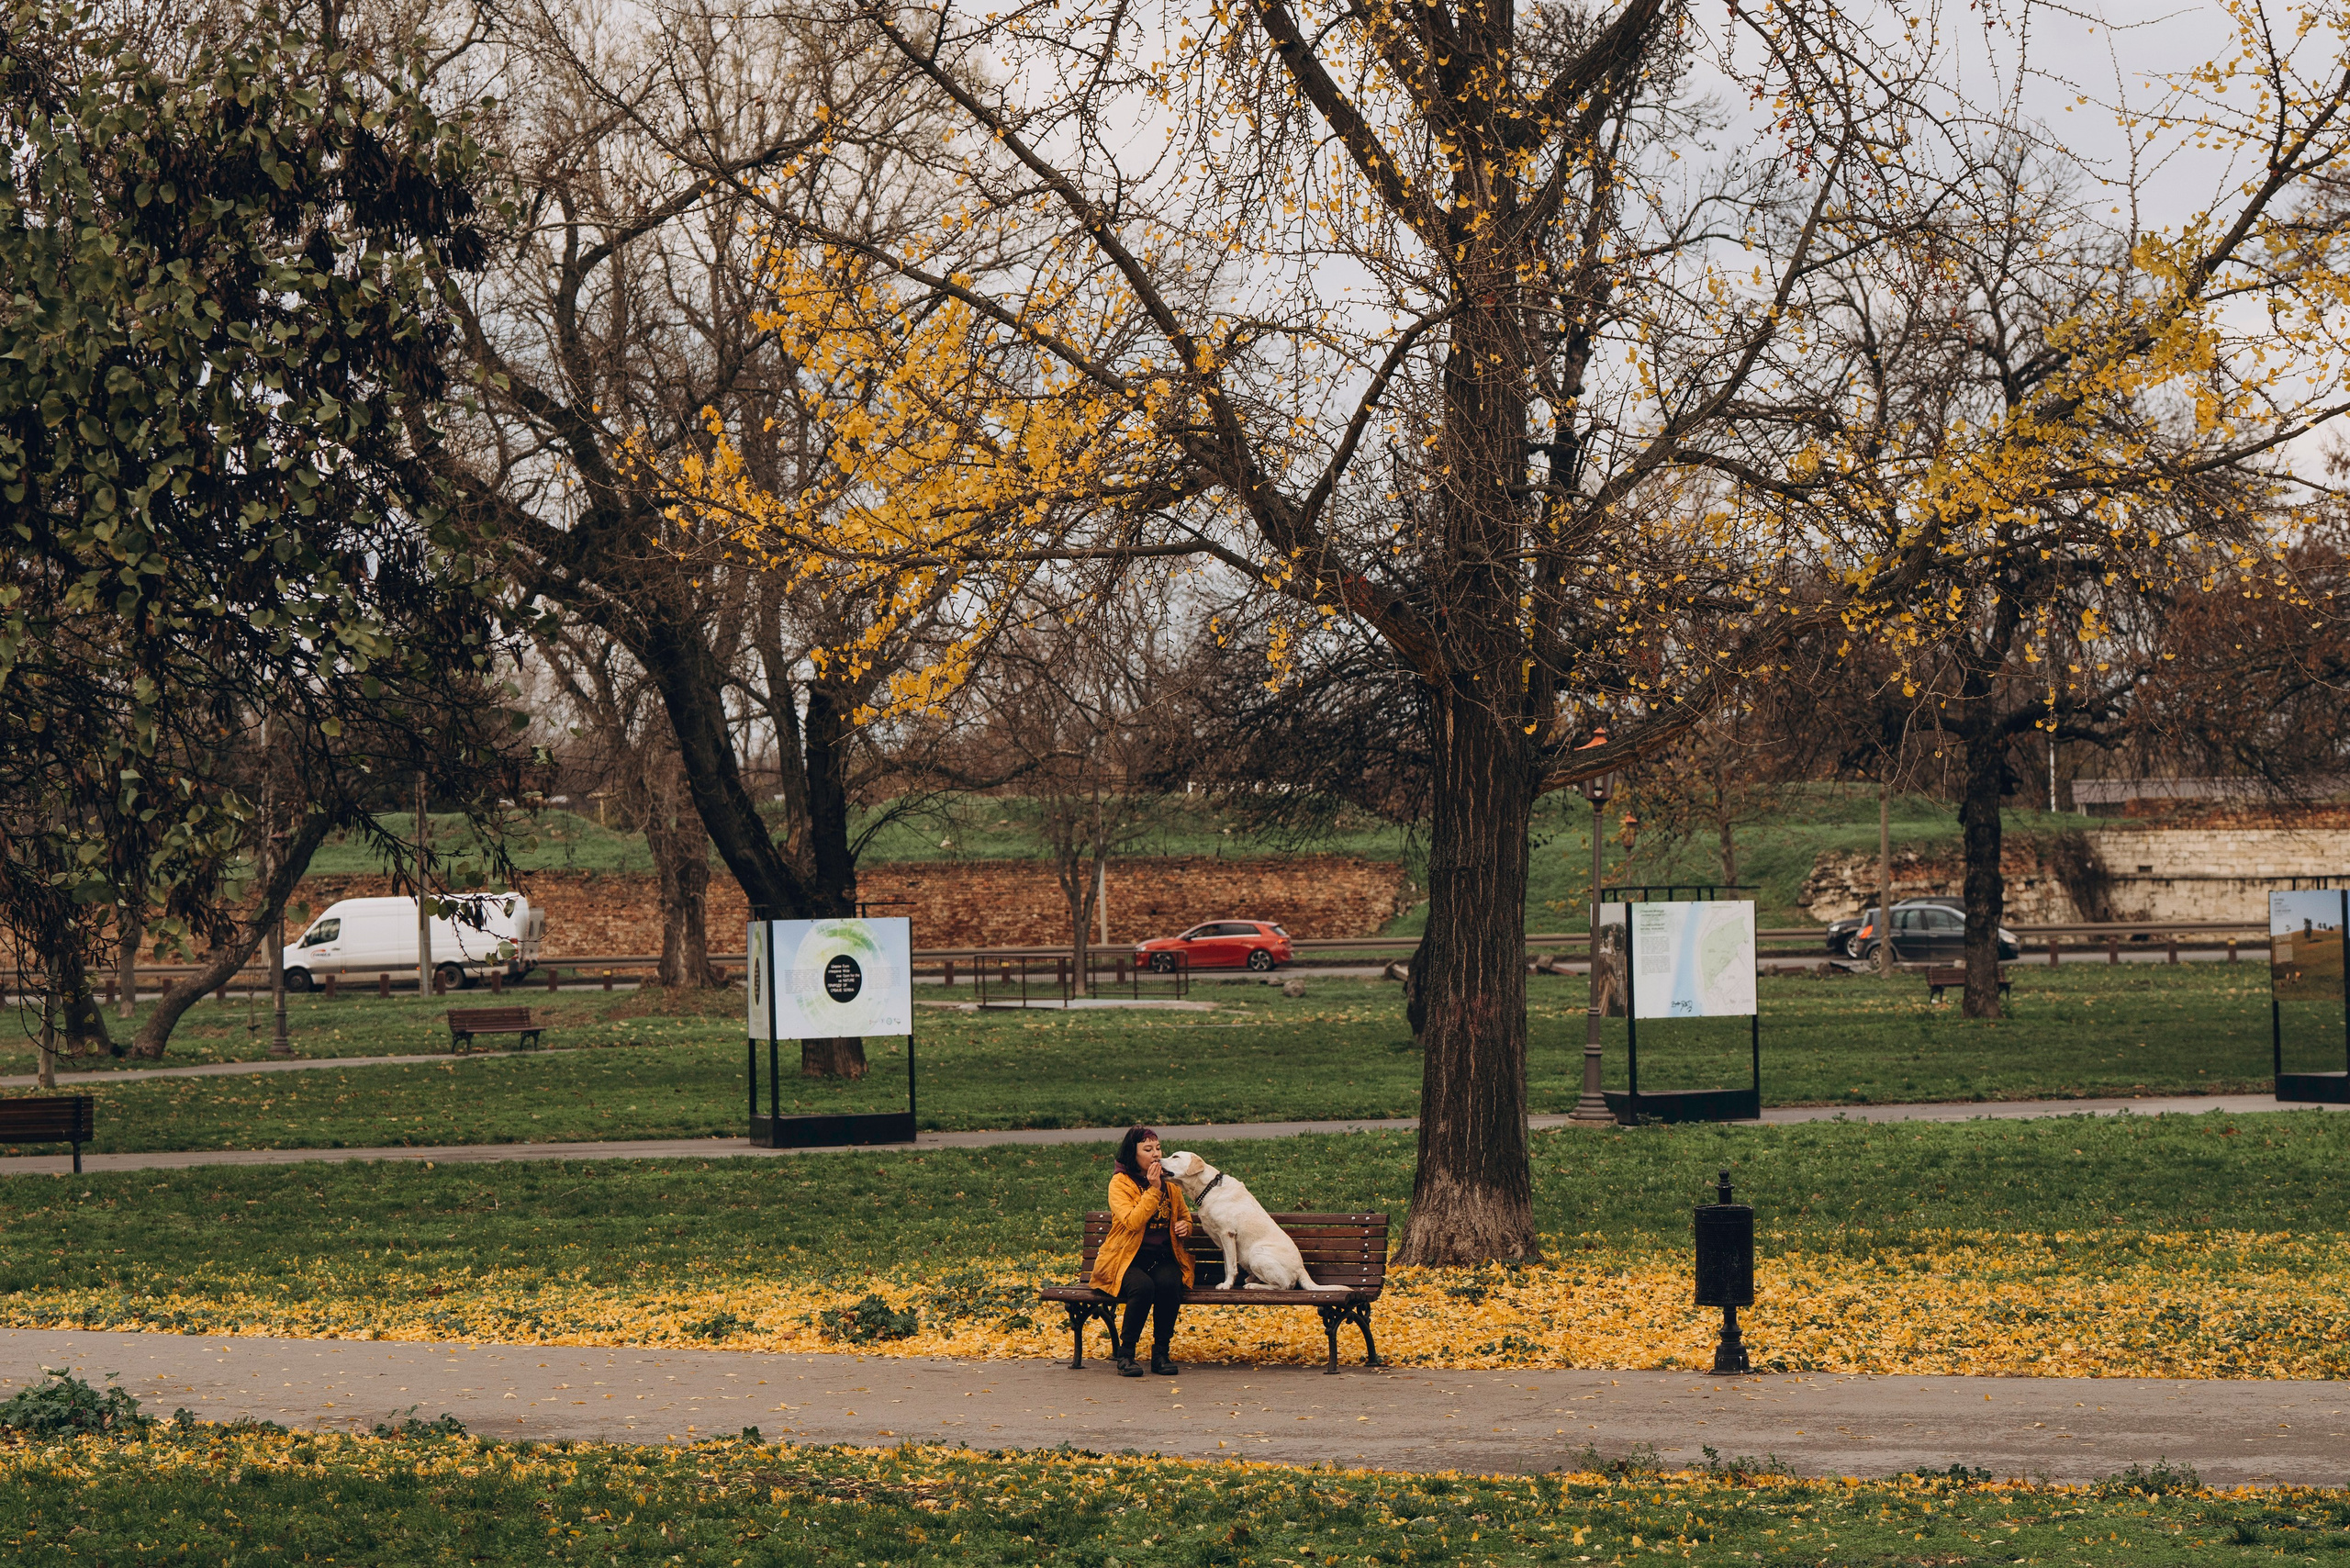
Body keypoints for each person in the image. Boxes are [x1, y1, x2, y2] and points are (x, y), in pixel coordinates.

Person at [1090, 1126, 1193, 1376]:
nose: (1156, 1154)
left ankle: (1161, 1354)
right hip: (1126, 1259)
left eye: (1158, 1148)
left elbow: (1185, 1216)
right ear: (1132, 1154)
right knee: (1142, 1287)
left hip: (1161, 1258)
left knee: (1170, 1283)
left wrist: (1185, 1227)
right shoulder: (1120, 1183)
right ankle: (1126, 1355)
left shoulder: (1170, 1184)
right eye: (1148, 1149)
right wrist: (1154, 1190)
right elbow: (1133, 1222)